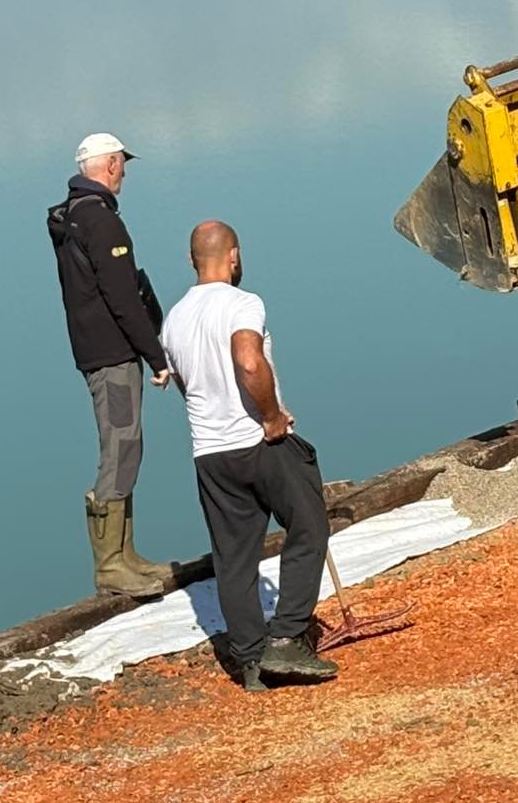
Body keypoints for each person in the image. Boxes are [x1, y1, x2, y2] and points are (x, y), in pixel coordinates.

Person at [159, 221, 336, 692]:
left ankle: (251, 660)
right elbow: (249, 361)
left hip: (210, 453)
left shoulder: (173, 318)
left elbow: (183, 382)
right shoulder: (243, 303)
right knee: (309, 525)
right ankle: (288, 637)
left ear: (191, 259)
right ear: (233, 256)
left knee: (234, 558)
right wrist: (272, 415)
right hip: (259, 442)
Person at [47, 133, 169, 599]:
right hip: (112, 352)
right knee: (120, 446)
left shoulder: (72, 215)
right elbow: (122, 298)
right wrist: (155, 356)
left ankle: (126, 554)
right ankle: (110, 565)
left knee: (126, 444)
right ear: (111, 164)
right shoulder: (101, 222)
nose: (126, 173)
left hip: (94, 346)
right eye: (123, 164)